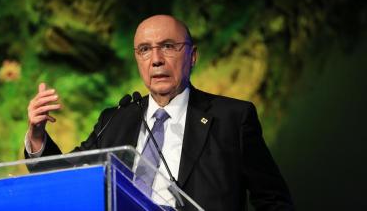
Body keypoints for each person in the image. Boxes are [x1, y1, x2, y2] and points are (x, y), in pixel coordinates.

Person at [25, 15, 294, 210]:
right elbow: (65, 178)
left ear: (192, 56)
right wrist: (37, 137)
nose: (156, 59)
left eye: (168, 46)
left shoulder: (232, 118)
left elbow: (273, 200)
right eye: (144, 50)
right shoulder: (115, 120)